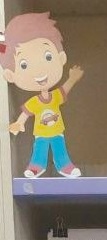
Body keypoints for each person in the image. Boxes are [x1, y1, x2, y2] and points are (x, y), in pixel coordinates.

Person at [0, 12, 83, 177]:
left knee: (60, 149)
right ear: (10, 75)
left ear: (61, 58)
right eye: (24, 65)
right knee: (39, 150)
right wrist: (19, 123)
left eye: (48, 56)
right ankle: (36, 167)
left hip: (57, 130)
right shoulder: (34, 102)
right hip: (40, 133)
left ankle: (65, 166)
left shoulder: (55, 96)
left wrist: (72, 79)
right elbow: (25, 114)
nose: (39, 71)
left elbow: (64, 89)